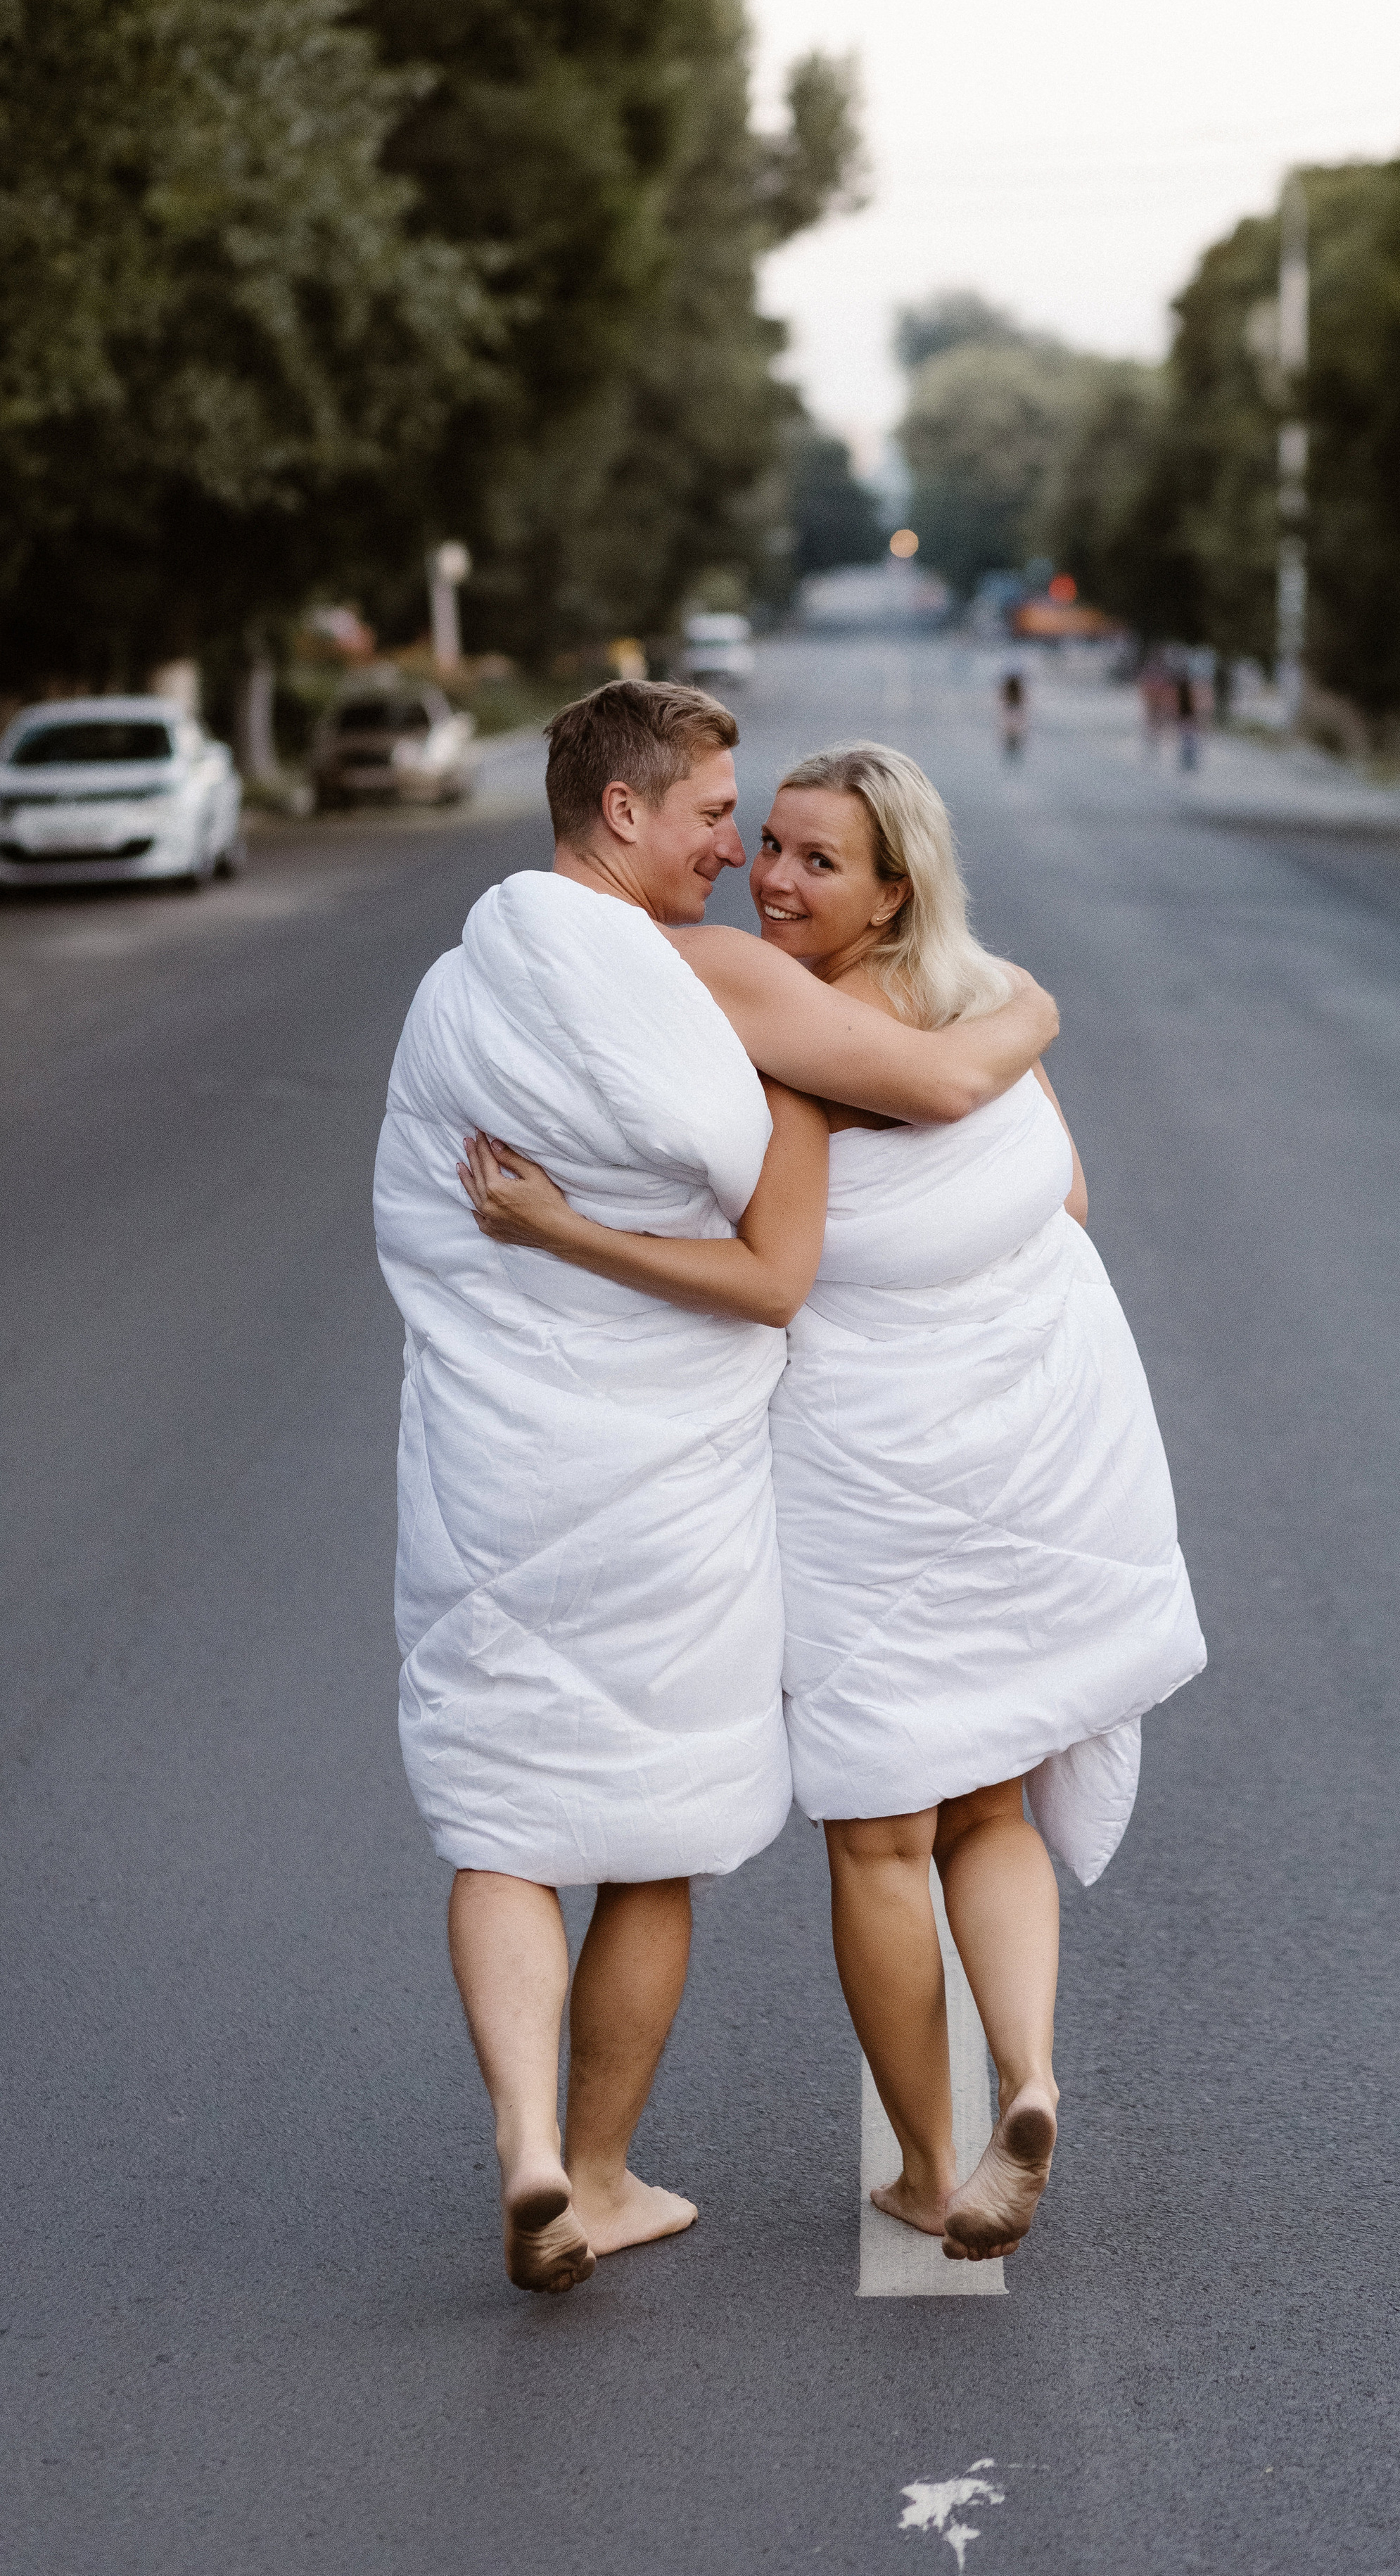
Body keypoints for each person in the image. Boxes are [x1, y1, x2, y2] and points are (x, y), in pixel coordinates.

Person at [460, 739, 1202, 2269]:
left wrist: (550, 1227)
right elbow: (1060, 1198)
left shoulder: (766, 1032)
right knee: (996, 1796)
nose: (769, 875)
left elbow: (771, 1274)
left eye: (812, 859)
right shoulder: (985, 1000)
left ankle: (934, 2169)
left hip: (873, 1462)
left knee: (882, 1837)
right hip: (1029, 1436)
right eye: (765, 844)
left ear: (884, 891)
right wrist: (1037, 1009)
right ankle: (1034, 2078)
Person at [375, 681, 1058, 2295]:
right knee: (647, 1844)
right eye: (711, 818)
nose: (732, 855)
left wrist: (526, 1245)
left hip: (484, 1460)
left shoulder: (456, 993)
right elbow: (909, 1151)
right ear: (622, 811)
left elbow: (412, 1214)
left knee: (497, 1825)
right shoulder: (717, 996)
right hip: (658, 1475)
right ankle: (600, 2169)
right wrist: (1032, 1002)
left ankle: (527, 2150)